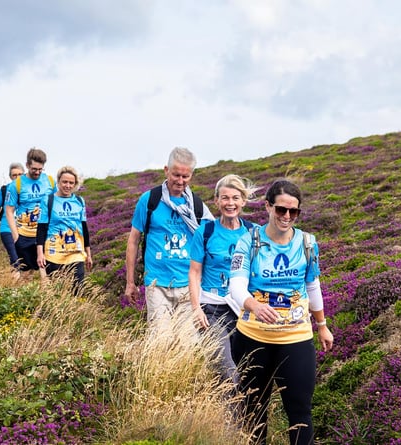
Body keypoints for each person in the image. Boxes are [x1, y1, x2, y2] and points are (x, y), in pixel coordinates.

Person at [228, 179, 334, 445]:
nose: (287, 216)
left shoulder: (308, 243)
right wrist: (254, 305)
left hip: (296, 338)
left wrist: (321, 325)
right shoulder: (248, 242)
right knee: (253, 411)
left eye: (293, 211)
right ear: (267, 206)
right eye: (281, 210)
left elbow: (312, 285)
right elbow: (236, 286)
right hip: (253, 338)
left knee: (300, 411)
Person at [124, 147, 214, 327]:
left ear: (191, 175)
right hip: (157, 283)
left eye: (185, 176)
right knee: (161, 341)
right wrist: (130, 282)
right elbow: (133, 241)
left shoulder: (197, 206)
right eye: (176, 175)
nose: (180, 181)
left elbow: (212, 240)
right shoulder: (149, 200)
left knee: (186, 344)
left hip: (188, 285)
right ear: (166, 170)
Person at [188, 174, 258, 384]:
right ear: (216, 201)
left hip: (245, 308)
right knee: (226, 369)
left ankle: (249, 416)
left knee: (249, 370)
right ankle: (232, 417)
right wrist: (195, 308)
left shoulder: (253, 232)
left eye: (235, 198)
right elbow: (194, 272)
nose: (230, 203)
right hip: (212, 307)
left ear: (243, 201)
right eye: (225, 198)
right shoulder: (206, 232)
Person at [36, 166, 92, 294]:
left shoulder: (79, 201)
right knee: (58, 292)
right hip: (54, 253)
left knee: (77, 290)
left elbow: (84, 228)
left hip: (76, 252)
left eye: (71, 183)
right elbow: (41, 229)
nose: (67, 185)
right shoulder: (48, 201)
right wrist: (40, 253)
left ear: (75, 184)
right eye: (64, 182)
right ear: (58, 182)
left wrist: (88, 254)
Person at [5, 147, 56, 274]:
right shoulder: (16, 185)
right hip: (25, 235)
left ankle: (48, 293)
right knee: (26, 272)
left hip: (46, 233)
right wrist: (16, 236)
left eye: (40, 169)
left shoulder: (50, 181)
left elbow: (57, 203)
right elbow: (9, 210)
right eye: (34, 169)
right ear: (27, 165)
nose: (37, 172)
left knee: (46, 271)